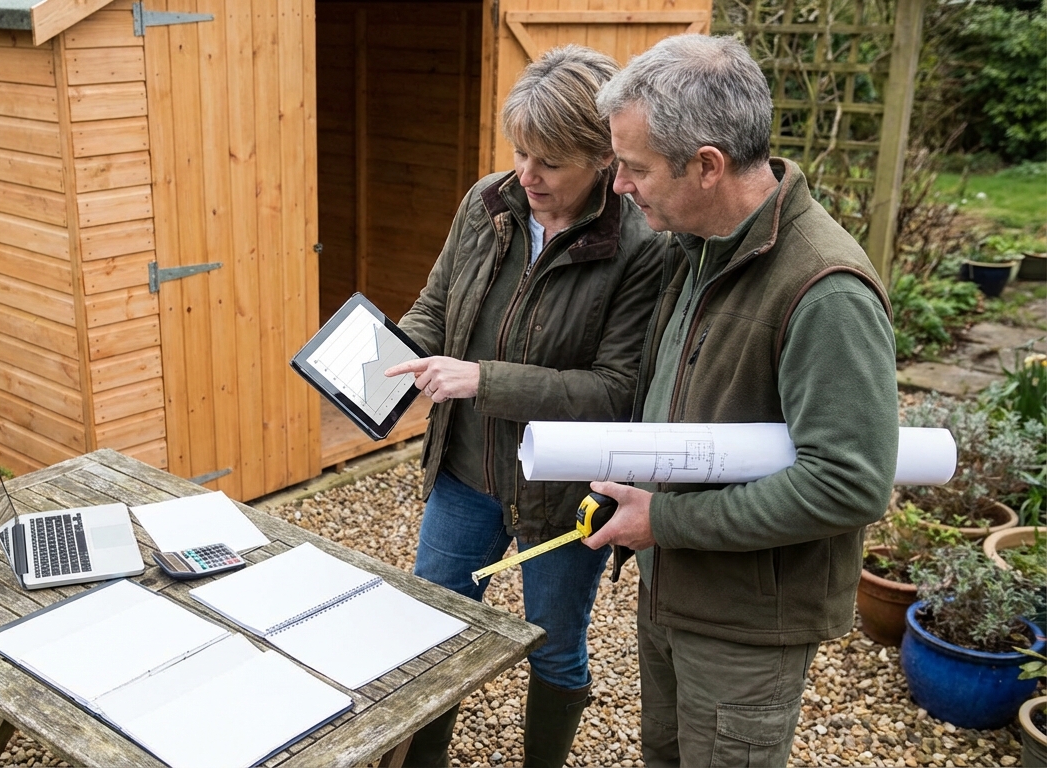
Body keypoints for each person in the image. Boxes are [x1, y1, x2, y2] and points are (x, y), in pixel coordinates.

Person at [584, 34, 900, 767]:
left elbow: (849, 483)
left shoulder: (827, 292)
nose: (622, 187)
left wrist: (666, 518)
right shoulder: (699, 245)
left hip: (744, 626)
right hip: (678, 587)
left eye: (634, 168)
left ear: (707, 166)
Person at [383, 45, 666, 768]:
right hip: (466, 473)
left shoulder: (639, 245)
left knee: (557, 646)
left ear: (602, 158)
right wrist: (383, 359)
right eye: (519, 152)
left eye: (549, 162)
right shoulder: (488, 203)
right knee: (432, 631)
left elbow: (615, 392)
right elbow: (436, 305)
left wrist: (483, 378)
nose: (526, 175)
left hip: (564, 492)